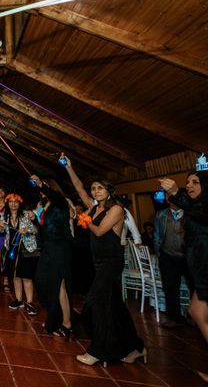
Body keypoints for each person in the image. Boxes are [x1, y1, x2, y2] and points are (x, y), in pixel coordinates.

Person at [64, 155, 145, 366]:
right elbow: (79, 188)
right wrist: (70, 168)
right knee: (116, 307)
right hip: (98, 262)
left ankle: (98, 351)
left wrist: (85, 220)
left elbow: (99, 231)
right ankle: (136, 347)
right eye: (94, 188)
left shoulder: (117, 209)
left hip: (111, 262)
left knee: (95, 304)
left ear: (108, 190)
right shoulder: (93, 206)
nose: (95, 191)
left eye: (99, 188)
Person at [160, 172, 208, 382]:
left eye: (195, 182)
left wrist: (174, 192)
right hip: (201, 269)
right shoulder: (194, 208)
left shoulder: (203, 207)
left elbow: (196, 210)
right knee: (196, 311)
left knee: (197, 311)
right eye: (187, 182)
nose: (189, 185)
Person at [30, 175, 74, 337]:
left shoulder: (61, 201)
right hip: (48, 246)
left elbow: (55, 196)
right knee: (42, 281)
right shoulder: (47, 204)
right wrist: (34, 219)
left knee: (59, 285)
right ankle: (56, 317)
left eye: (46, 188)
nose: (42, 191)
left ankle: (66, 323)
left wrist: (41, 184)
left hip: (60, 246)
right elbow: (44, 228)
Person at [2, 194, 39, 315]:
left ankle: (30, 302)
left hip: (25, 249)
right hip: (11, 249)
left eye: (16, 202)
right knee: (15, 275)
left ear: (19, 203)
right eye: (11, 202)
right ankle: (19, 300)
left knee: (26, 276)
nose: (13, 204)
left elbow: (36, 230)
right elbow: (0, 230)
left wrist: (27, 230)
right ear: (8, 203)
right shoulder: (5, 215)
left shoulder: (26, 214)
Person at [153, 201, 188, 328]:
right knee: (170, 288)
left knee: (195, 287)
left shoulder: (189, 213)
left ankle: (195, 316)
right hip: (167, 257)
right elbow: (156, 234)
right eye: (169, 196)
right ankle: (175, 318)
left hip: (188, 257)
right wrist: (159, 253)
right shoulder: (161, 214)